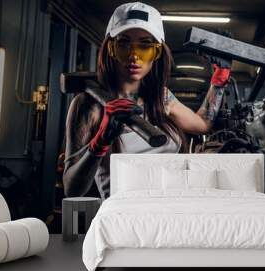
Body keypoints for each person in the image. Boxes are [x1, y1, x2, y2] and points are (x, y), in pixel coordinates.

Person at [63, 2, 230, 199]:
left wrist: (219, 80)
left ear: (157, 53)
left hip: (173, 209)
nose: (134, 56)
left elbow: (202, 124)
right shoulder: (89, 106)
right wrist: (101, 141)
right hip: (123, 217)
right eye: (124, 43)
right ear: (110, 49)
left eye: (145, 46)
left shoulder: (162, 98)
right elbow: (72, 189)